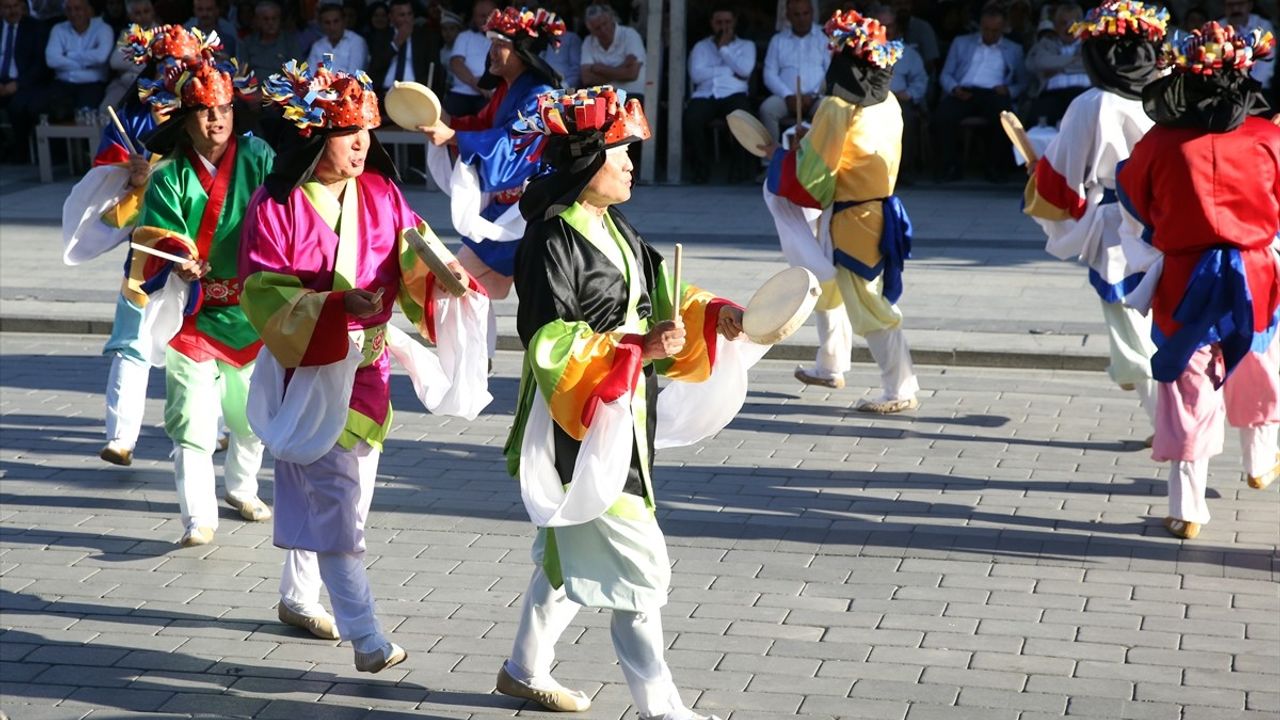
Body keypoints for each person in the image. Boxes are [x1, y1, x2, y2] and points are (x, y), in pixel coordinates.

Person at [499, 84, 744, 720]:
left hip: (625, 409)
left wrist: (716, 314)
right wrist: (638, 345)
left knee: (573, 548)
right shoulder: (555, 239)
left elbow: (663, 293)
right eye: (620, 152)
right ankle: (662, 709)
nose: (632, 164)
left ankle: (523, 667)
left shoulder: (613, 223)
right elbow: (550, 343)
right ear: (587, 164)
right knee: (640, 567)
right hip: (579, 415)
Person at [244, 57, 489, 674]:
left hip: (370, 371)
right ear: (311, 135)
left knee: (342, 496)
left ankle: (298, 594)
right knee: (340, 503)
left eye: (366, 132)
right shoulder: (277, 207)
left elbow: (415, 250)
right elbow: (263, 291)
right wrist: (332, 304)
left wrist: (446, 275)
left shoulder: (382, 193)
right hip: (312, 366)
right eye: (347, 132)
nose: (362, 145)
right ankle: (366, 635)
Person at [1117, 22, 1279, 540]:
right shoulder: (1269, 137)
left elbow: (1137, 203)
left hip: (1185, 275)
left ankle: (1188, 510)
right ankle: (1261, 459)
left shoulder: (1160, 142)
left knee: (1189, 386)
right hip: (1255, 268)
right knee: (1255, 361)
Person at [128, 43, 275, 547]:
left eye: (226, 108)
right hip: (191, 314)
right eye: (207, 111)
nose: (218, 119)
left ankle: (242, 486)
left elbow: (284, 216)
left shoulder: (258, 157)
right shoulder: (169, 174)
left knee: (253, 417)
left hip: (251, 310)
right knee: (191, 417)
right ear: (187, 116)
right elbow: (154, 238)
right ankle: (198, 514)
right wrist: (178, 257)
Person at [1023, 0, 1169, 443]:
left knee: (1131, 330)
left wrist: (1039, 179)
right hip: (1172, 221)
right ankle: (1173, 412)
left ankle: (1171, 424)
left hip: (1118, 227)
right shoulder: (1171, 88)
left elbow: (1063, 180)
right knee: (1166, 321)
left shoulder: (1092, 104)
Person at [764, 9, 919, 412]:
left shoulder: (836, 106)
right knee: (829, 288)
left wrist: (781, 157)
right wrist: (813, 138)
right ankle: (830, 364)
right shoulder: (888, 104)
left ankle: (900, 388)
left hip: (852, 218)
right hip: (877, 209)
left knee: (868, 303)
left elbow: (816, 176)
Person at [420, 6, 563, 352]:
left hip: (533, 213)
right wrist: (444, 124)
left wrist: (453, 137)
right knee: (458, 284)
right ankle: (476, 358)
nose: (491, 53)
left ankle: (480, 359)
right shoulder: (507, 89)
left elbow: (514, 145)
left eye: (499, 44)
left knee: (456, 282)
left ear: (522, 52)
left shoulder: (541, 95)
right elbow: (484, 126)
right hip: (510, 210)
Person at [934, 4, 1026, 182]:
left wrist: (1009, 90)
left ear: (1003, 28)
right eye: (986, 29)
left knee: (1005, 119)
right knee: (942, 117)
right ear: (980, 26)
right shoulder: (961, 42)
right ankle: (950, 166)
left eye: (995, 30)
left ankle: (994, 167)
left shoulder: (1014, 49)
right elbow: (945, 74)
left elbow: (1023, 82)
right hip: (964, 91)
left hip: (995, 93)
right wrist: (954, 88)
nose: (990, 34)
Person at [684, 4, 754, 184]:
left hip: (734, 94)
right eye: (719, 22)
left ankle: (739, 171)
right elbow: (696, 75)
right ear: (712, 23)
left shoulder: (746, 46)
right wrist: (728, 71)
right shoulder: (701, 47)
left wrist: (724, 49)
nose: (723, 27)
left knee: (742, 117)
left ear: (735, 22)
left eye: (728, 22)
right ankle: (701, 170)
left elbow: (745, 71)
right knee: (692, 118)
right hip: (705, 94)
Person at [760, 0, 828, 144]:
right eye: (796, 14)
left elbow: (830, 72)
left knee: (831, 109)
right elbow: (769, 74)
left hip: (816, 98)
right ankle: (772, 162)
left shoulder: (825, 37)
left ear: (812, 14)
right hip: (786, 98)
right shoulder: (778, 40)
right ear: (788, 16)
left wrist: (814, 95)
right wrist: (788, 96)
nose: (802, 18)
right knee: (767, 109)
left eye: (805, 13)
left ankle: (821, 161)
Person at [876, 5, 925, 184]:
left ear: (897, 27)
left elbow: (920, 81)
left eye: (889, 26)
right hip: (869, 100)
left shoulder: (908, 53)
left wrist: (910, 94)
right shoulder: (860, 51)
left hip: (898, 100)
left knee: (908, 119)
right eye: (880, 25)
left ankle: (902, 171)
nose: (885, 30)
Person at [44, 0, 115, 119]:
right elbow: (51, 60)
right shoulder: (58, 29)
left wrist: (69, 55)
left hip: (92, 85)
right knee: (53, 114)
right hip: (63, 84)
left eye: (77, 9)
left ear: (88, 11)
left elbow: (101, 57)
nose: (73, 13)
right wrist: (87, 63)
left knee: (86, 118)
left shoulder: (103, 29)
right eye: (69, 9)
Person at [0, 0, 50, 164]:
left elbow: (40, 65)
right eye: (7, 7)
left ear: (22, 7)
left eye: (15, 6)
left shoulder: (35, 28)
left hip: (24, 83)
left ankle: (20, 152)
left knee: (18, 106)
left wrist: (18, 84)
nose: (12, 11)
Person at [1025, 3, 1090, 128]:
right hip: (1052, 96)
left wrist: (1058, 68)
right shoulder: (1046, 43)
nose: (1068, 27)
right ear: (1055, 26)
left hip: (1083, 95)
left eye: (1073, 23)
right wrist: (1075, 61)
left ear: (1082, 25)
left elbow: (1089, 62)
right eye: (1063, 23)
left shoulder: (1090, 44)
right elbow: (1041, 63)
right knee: (1034, 122)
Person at [101, 0, 157, 111]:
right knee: (105, 110)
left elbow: (154, 66)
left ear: (153, 12)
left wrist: (130, 57)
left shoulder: (162, 33)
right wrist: (144, 57)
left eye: (146, 11)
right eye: (137, 13)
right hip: (124, 83)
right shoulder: (126, 33)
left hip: (150, 86)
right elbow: (115, 62)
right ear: (130, 16)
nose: (143, 16)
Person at [581, 4, 644, 101]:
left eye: (605, 24)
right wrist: (622, 67)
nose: (603, 30)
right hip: (603, 97)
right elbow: (586, 78)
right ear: (592, 31)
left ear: (612, 19)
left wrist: (599, 69)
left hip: (633, 96)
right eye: (597, 28)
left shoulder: (630, 35)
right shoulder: (588, 41)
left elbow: (632, 74)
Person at [443, 0, 493, 116]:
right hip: (461, 93)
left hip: (490, 95)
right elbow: (456, 63)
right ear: (474, 18)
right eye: (482, 16)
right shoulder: (465, 36)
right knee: (443, 119)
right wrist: (477, 84)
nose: (487, 19)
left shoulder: (502, 39)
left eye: (490, 15)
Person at [237, 0, 299, 82]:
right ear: (258, 21)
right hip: (253, 91)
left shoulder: (290, 43)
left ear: (280, 20)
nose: (270, 23)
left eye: (274, 19)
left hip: (282, 92)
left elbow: (297, 75)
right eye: (266, 19)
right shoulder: (248, 43)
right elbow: (241, 74)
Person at [1220, 0, 1274, 90]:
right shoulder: (1217, 27)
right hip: (1226, 90)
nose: (1235, 9)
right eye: (1230, 5)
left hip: (1259, 89)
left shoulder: (1263, 26)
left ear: (1250, 5)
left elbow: (1266, 63)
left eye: (1240, 4)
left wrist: (1249, 88)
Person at [306, 2, 367, 73]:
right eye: (327, 23)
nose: (332, 27)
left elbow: (354, 76)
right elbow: (309, 76)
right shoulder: (317, 46)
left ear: (344, 21)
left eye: (336, 21)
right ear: (321, 25)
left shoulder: (356, 42)